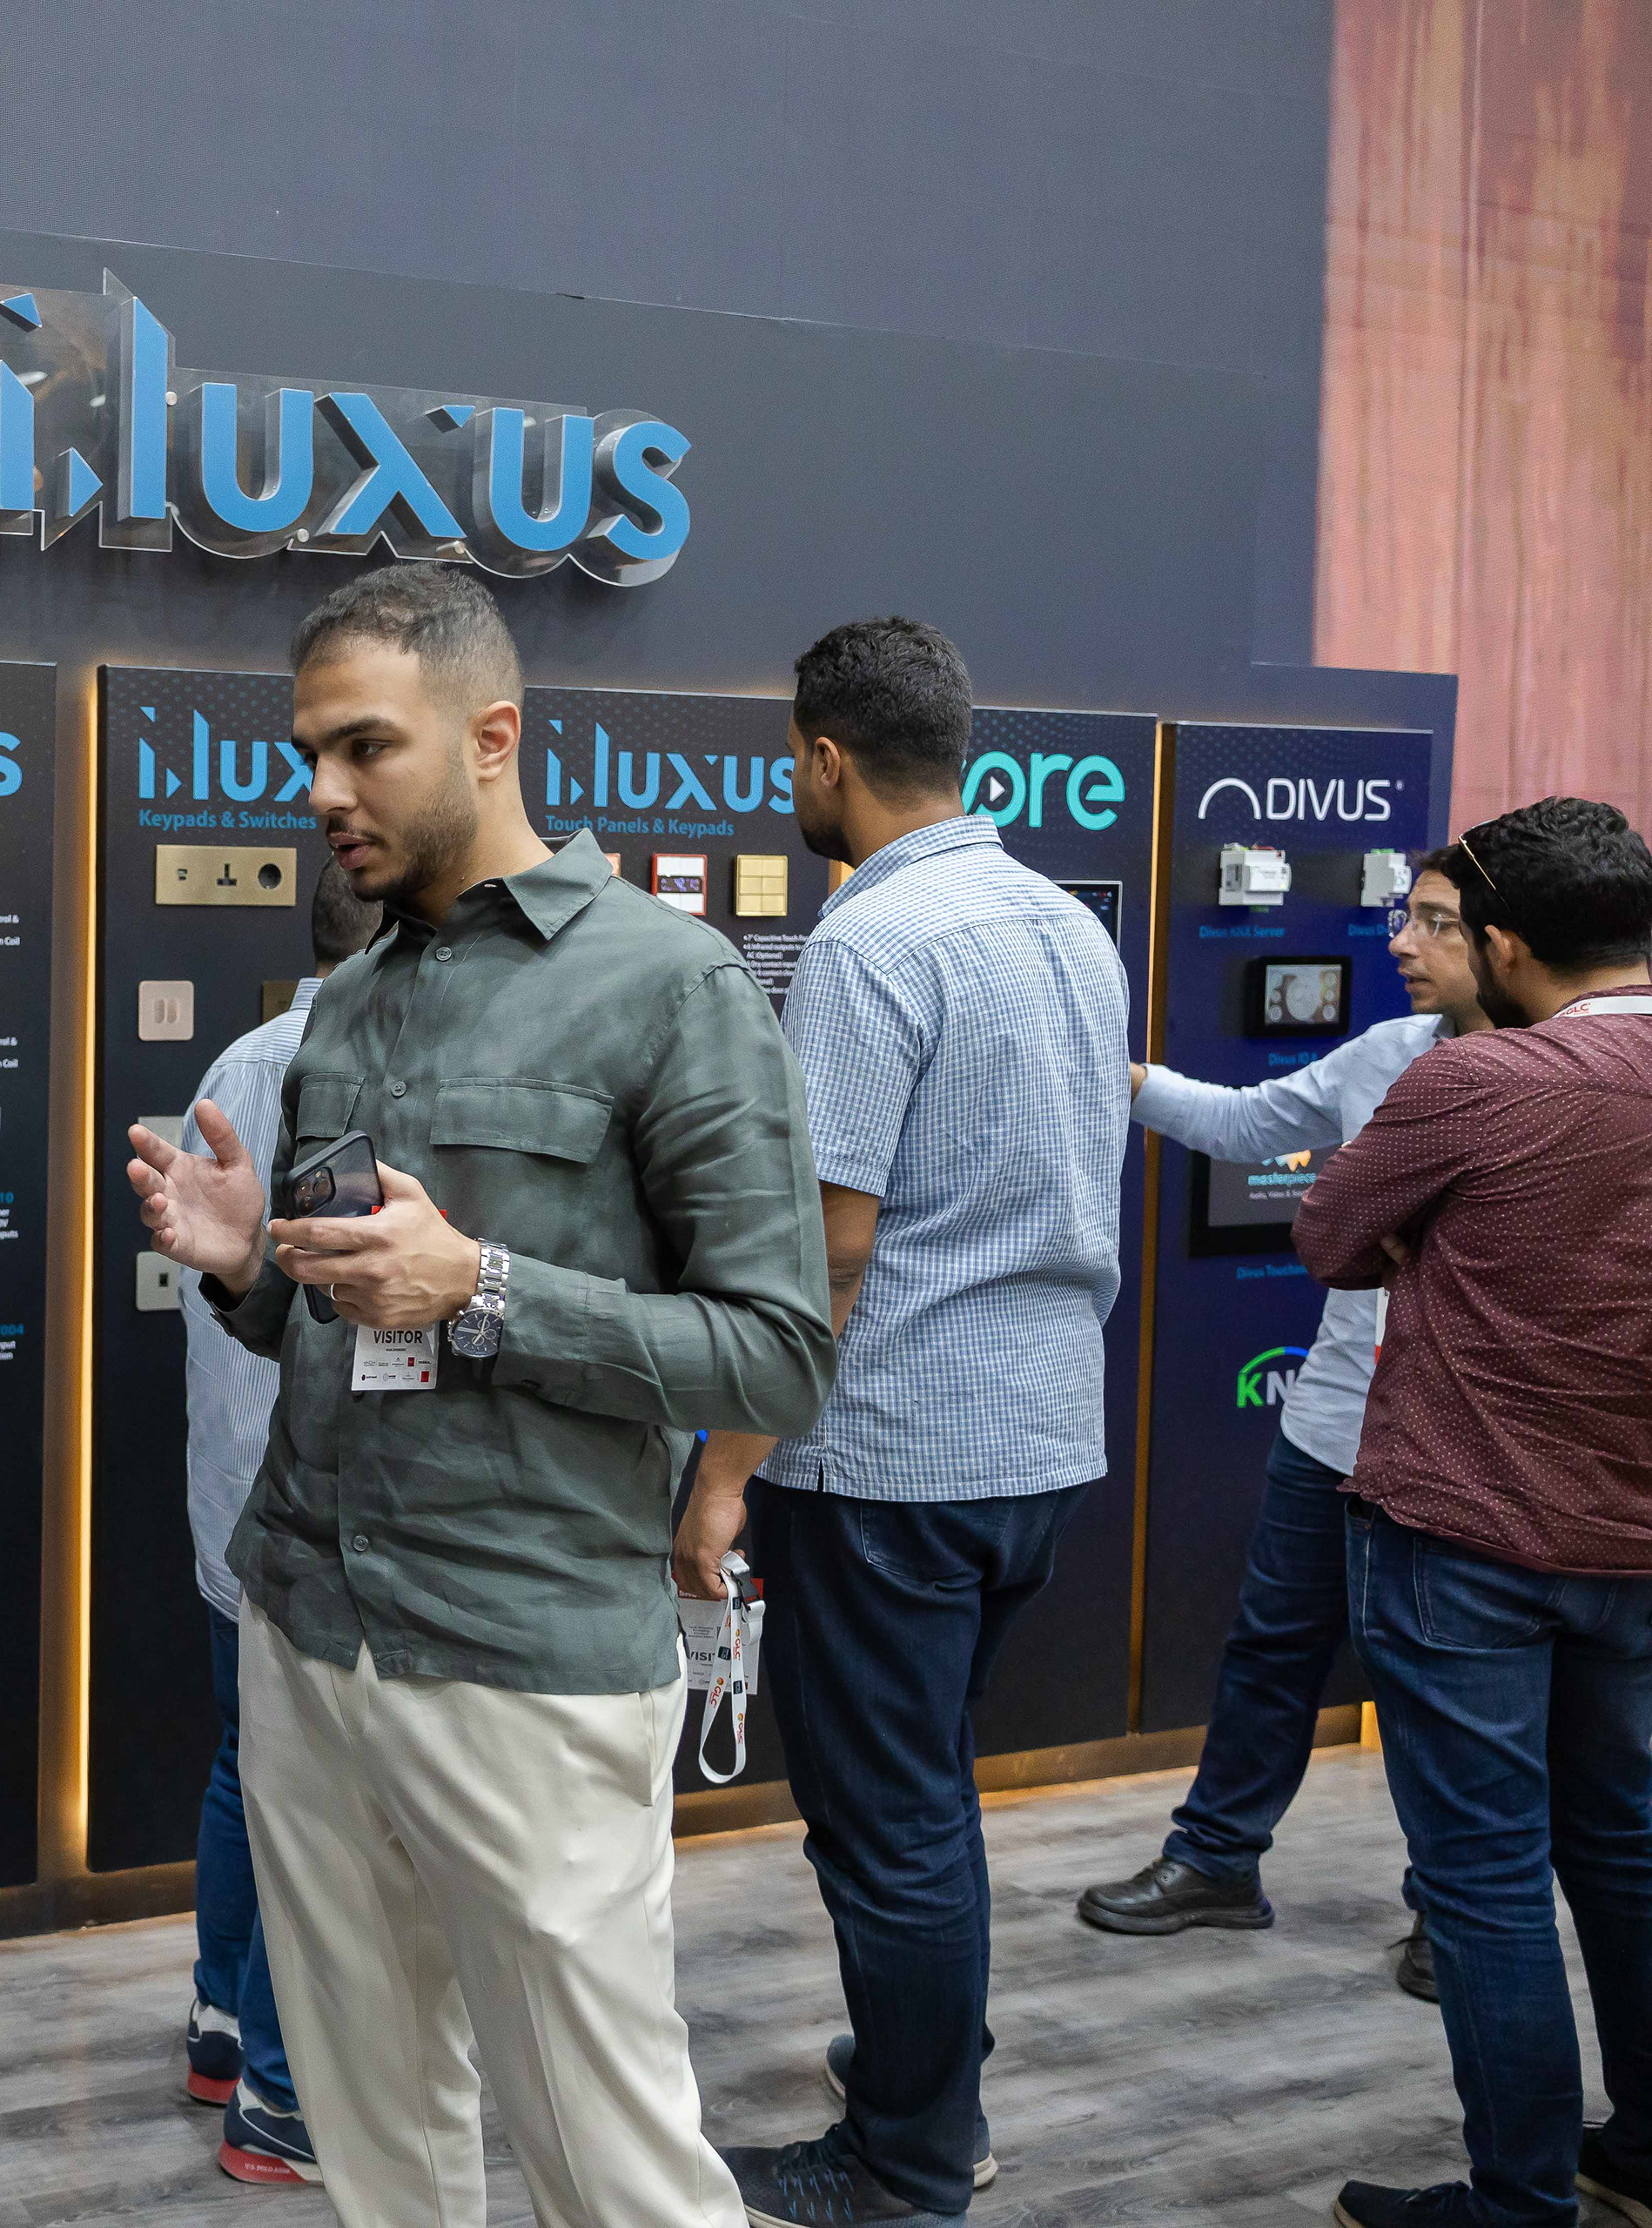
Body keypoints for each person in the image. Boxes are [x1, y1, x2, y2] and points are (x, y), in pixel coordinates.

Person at [127, 565, 833, 2228]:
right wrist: (247, 1274)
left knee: (618, 2171)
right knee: (375, 2141)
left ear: (493, 736)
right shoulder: (352, 999)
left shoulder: (672, 986)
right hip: (309, 1634)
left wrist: (488, 1289)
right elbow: (342, 1328)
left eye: (366, 747)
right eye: (309, 753)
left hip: (525, 1659)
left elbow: (778, 1353)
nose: (324, 792)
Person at [680, 618, 1127, 2227]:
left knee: (888, 1825)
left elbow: (832, 1248)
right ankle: (922, 2081)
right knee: (925, 1796)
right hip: (1040, 1443)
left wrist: (722, 1474)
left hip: (892, 1461)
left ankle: (911, 2160)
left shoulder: (871, 943)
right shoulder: (1066, 924)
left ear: (824, 758)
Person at [1290, 796, 1652, 2228]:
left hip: (1466, 1538)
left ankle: (1518, 2205)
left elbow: (1329, 1237)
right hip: (1635, 1541)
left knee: (1487, 1883)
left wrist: (1421, 1235)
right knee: (1626, 1851)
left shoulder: (1478, 1081)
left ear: (1502, 948)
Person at [1075, 849, 1491, 1999]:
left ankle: (1453, 1912)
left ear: (1505, 942)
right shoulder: (1389, 1052)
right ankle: (1216, 1859)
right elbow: (1253, 1122)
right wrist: (1121, 1075)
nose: (1402, 943)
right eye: (1405, 917)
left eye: (1436, 923)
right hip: (1329, 1430)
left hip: (1453, 1446)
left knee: (1445, 1690)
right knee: (1271, 1648)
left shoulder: (1548, 1085)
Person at [173, 856, 381, 2191]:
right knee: (321, 1806)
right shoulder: (368, 1077)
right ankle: (282, 2099)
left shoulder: (239, 1060)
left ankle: (219, 2026)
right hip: (315, 1506)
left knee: (246, 1763)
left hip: (230, 1494)